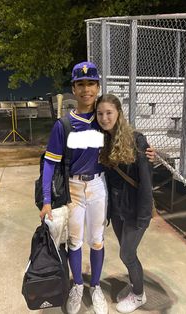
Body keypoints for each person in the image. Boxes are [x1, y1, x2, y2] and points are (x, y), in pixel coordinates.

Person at [39, 61, 155, 314]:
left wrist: (147, 154)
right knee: (75, 241)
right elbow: (49, 163)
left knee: (97, 240)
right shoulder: (64, 125)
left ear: (97, 86)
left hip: (99, 186)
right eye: (80, 84)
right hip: (74, 189)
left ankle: (95, 287)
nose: (86, 89)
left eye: (91, 83)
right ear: (73, 88)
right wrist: (46, 199)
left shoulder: (104, 119)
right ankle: (78, 285)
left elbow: (129, 139)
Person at [95, 94, 153, 314]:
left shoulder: (136, 139)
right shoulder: (103, 140)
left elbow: (146, 181)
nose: (104, 117)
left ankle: (139, 295)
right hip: (117, 208)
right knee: (127, 252)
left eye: (109, 112)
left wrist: (144, 215)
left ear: (118, 113)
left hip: (135, 208)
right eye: (100, 113)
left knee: (127, 254)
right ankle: (134, 284)